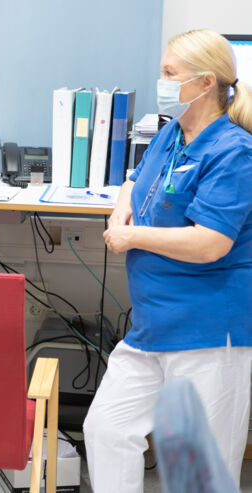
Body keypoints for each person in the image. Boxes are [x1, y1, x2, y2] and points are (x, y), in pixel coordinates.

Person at [83, 29, 252, 493]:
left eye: (168, 74)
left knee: (199, 473)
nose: (160, 81)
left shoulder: (234, 151)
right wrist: (122, 207)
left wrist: (132, 234)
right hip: (152, 325)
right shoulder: (172, 134)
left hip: (208, 330)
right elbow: (135, 179)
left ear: (204, 83)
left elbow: (211, 242)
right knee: (107, 431)